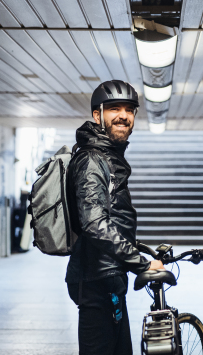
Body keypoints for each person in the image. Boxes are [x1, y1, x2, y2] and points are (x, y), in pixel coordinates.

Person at [65, 80, 164, 355]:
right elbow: (95, 223)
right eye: (114, 109)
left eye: (129, 109)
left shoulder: (107, 156)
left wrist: (134, 250)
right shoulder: (92, 160)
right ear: (97, 115)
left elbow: (112, 217)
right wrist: (140, 263)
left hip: (108, 277)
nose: (123, 115)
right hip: (97, 280)